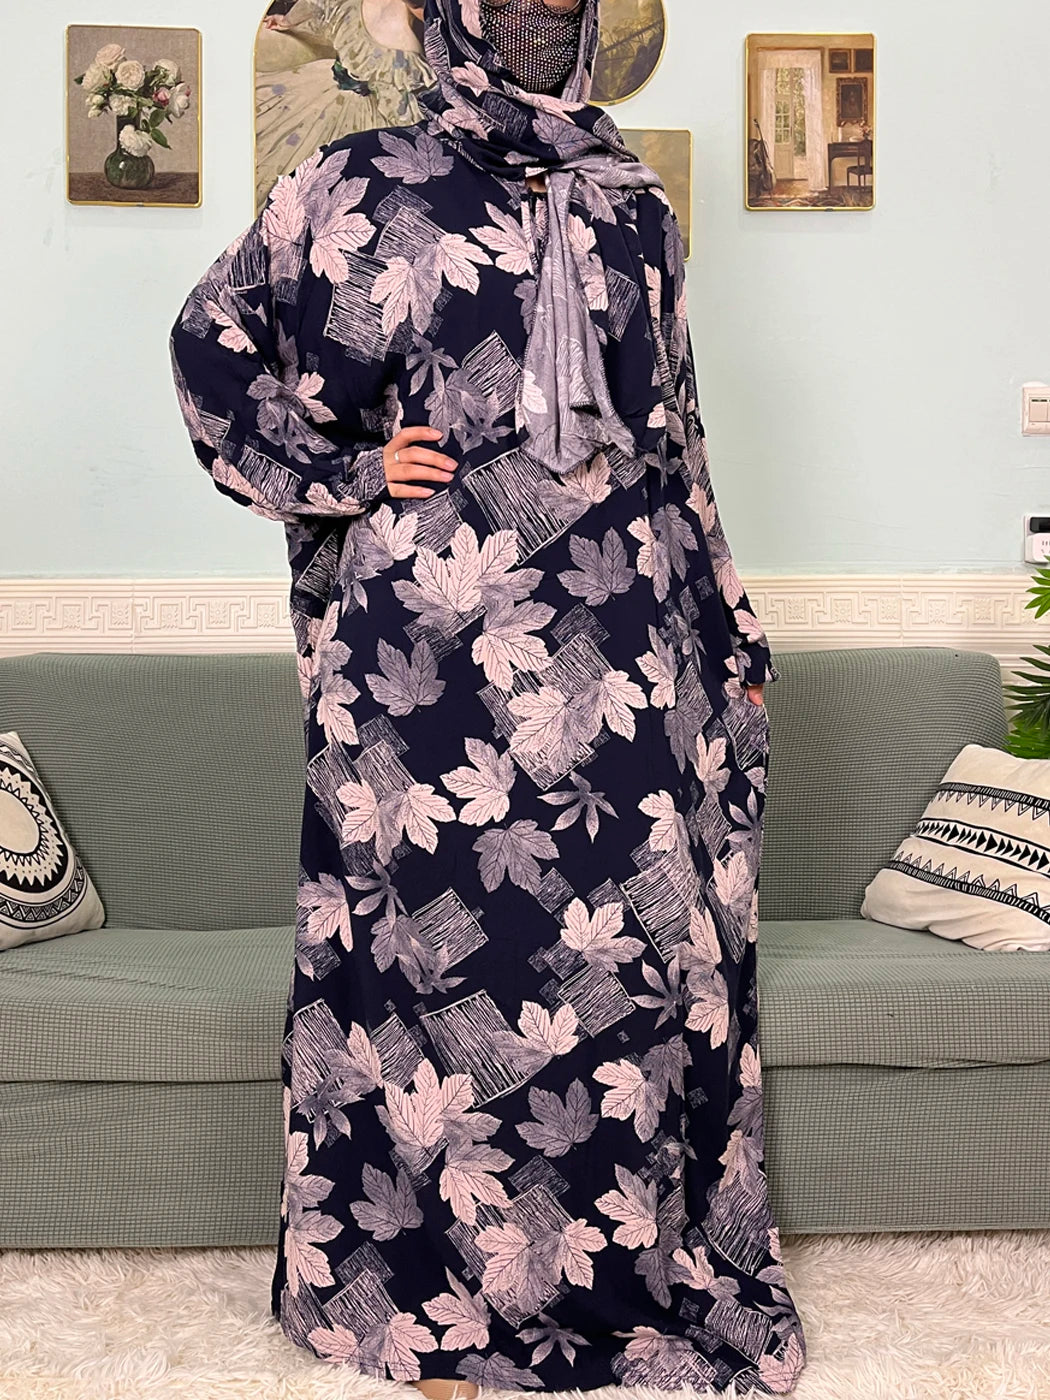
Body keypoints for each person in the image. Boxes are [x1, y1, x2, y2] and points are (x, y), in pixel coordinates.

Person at [169, 0, 808, 1394]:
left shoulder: (632, 202)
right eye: (502, 0)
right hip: (421, 659)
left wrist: (721, 605)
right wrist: (347, 473)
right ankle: (421, 1289)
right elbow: (215, 342)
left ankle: (607, 1277)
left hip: (614, 638)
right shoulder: (361, 183)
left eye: (557, 4)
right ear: (448, 17)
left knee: (623, 956)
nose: (531, 25)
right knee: (423, 970)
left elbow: (675, 432)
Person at [255, 0, 432, 214]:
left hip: (322, 82)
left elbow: (313, 5)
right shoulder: (405, 51)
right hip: (355, 117)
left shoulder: (354, 3)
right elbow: (404, 117)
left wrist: (285, 21)